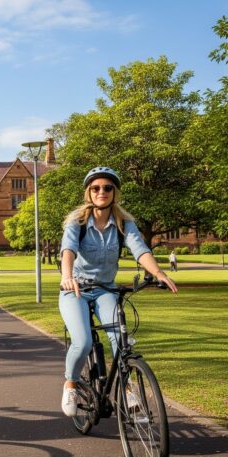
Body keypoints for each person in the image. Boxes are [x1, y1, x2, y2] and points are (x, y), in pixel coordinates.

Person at [59, 167, 178, 417]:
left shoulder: (125, 224)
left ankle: (126, 390)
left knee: (121, 340)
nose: (101, 192)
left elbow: (141, 250)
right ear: (88, 193)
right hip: (76, 289)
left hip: (105, 290)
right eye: (96, 188)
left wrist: (159, 274)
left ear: (115, 193)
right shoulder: (77, 222)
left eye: (107, 188)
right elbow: (68, 251)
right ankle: (70, 384)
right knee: (82, 341)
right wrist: (67, 277)